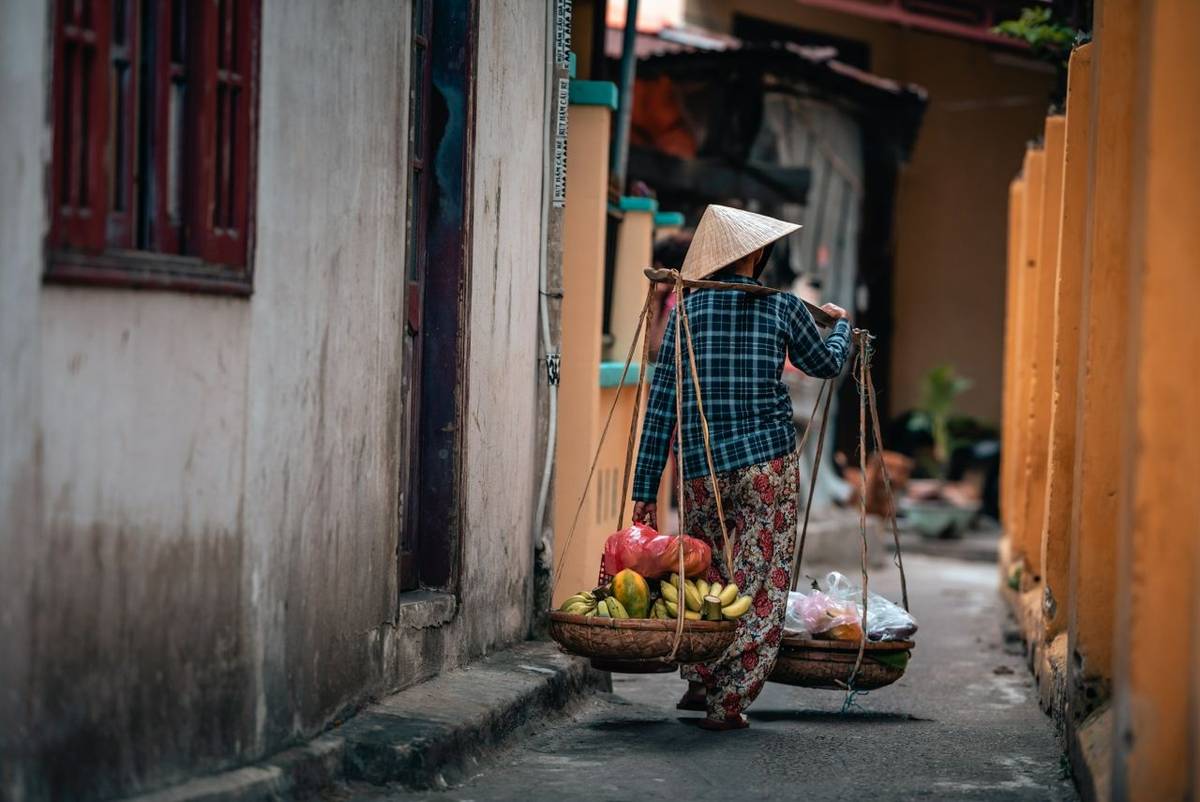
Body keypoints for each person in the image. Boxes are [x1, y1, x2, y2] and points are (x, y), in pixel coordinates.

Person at [630, 205, 851, 731]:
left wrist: (644, 490)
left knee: (707, 575)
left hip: (703, 470)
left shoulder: (686, 310)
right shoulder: (783, 308)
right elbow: (826, 364)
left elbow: (661, 404)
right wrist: (840, 327)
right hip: (766, 468)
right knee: (759, 583)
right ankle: (727, 700)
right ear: (755, 254)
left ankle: (701, 678)